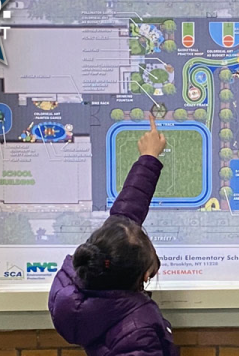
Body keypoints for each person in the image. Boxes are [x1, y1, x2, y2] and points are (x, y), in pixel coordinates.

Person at [49, 115, 177, 356]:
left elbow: (126, 213)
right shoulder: (139, 328)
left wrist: (149, 159)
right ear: (143, 276)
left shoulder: (75, 286)